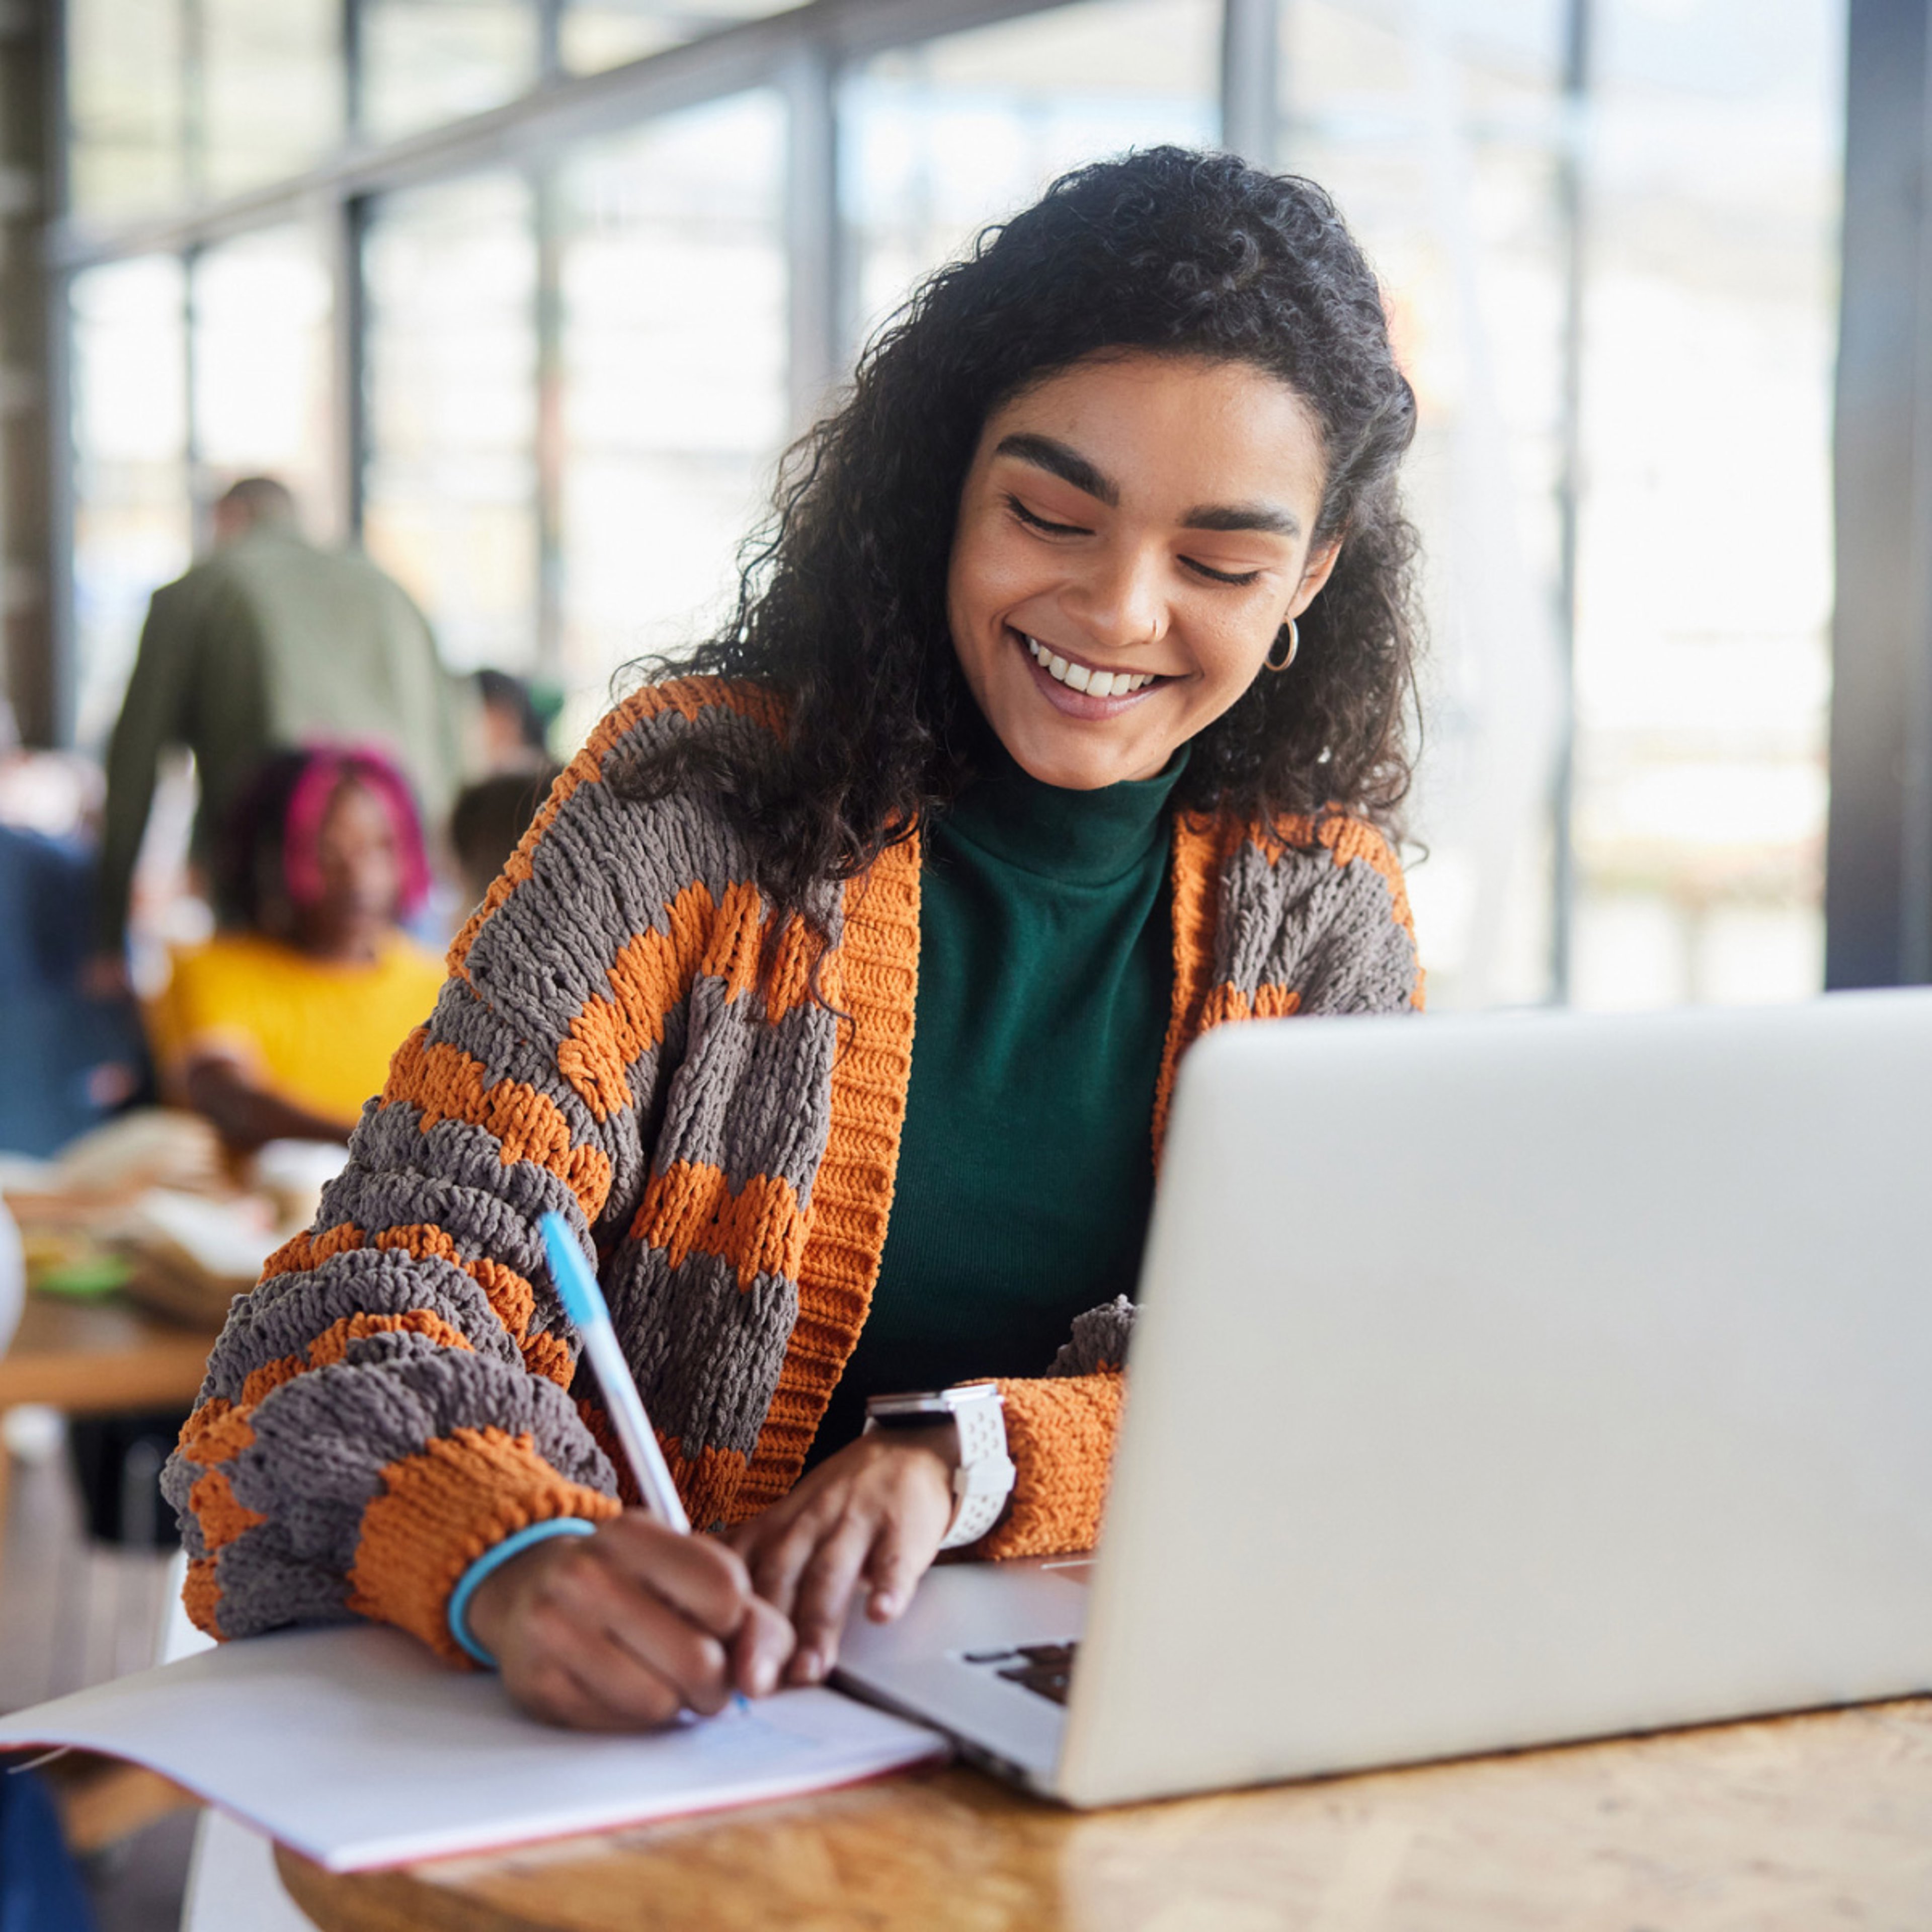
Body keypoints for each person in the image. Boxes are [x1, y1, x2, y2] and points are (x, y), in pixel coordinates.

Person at [164, 150, 1423, 1734]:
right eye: (1047, 512)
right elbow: (362, 1301)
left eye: (1221, 565)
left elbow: (1322, 1371)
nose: (1115, 609)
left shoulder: (1319, 907)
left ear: (1305, 577)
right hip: (642, 1745)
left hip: (1097, 1740)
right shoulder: (690, 805)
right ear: (940, 488)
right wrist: (511, 1546)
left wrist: (957, 1459)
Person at [92, 476, 465, 977]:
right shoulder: (389, 586)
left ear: (228, 520)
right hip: (397, 877)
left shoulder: (200, 588)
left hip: (277, 886)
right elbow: (456, 739)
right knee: (399, 1039)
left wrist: (109, 931)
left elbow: (134, 762)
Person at [145, 746, 445, 1151]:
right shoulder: (212, 970)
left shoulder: (442, 987)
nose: (361, 878)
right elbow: (228, 1099)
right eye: (328, 852)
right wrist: (378, 1145)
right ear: (271, 860)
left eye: (381, 848)